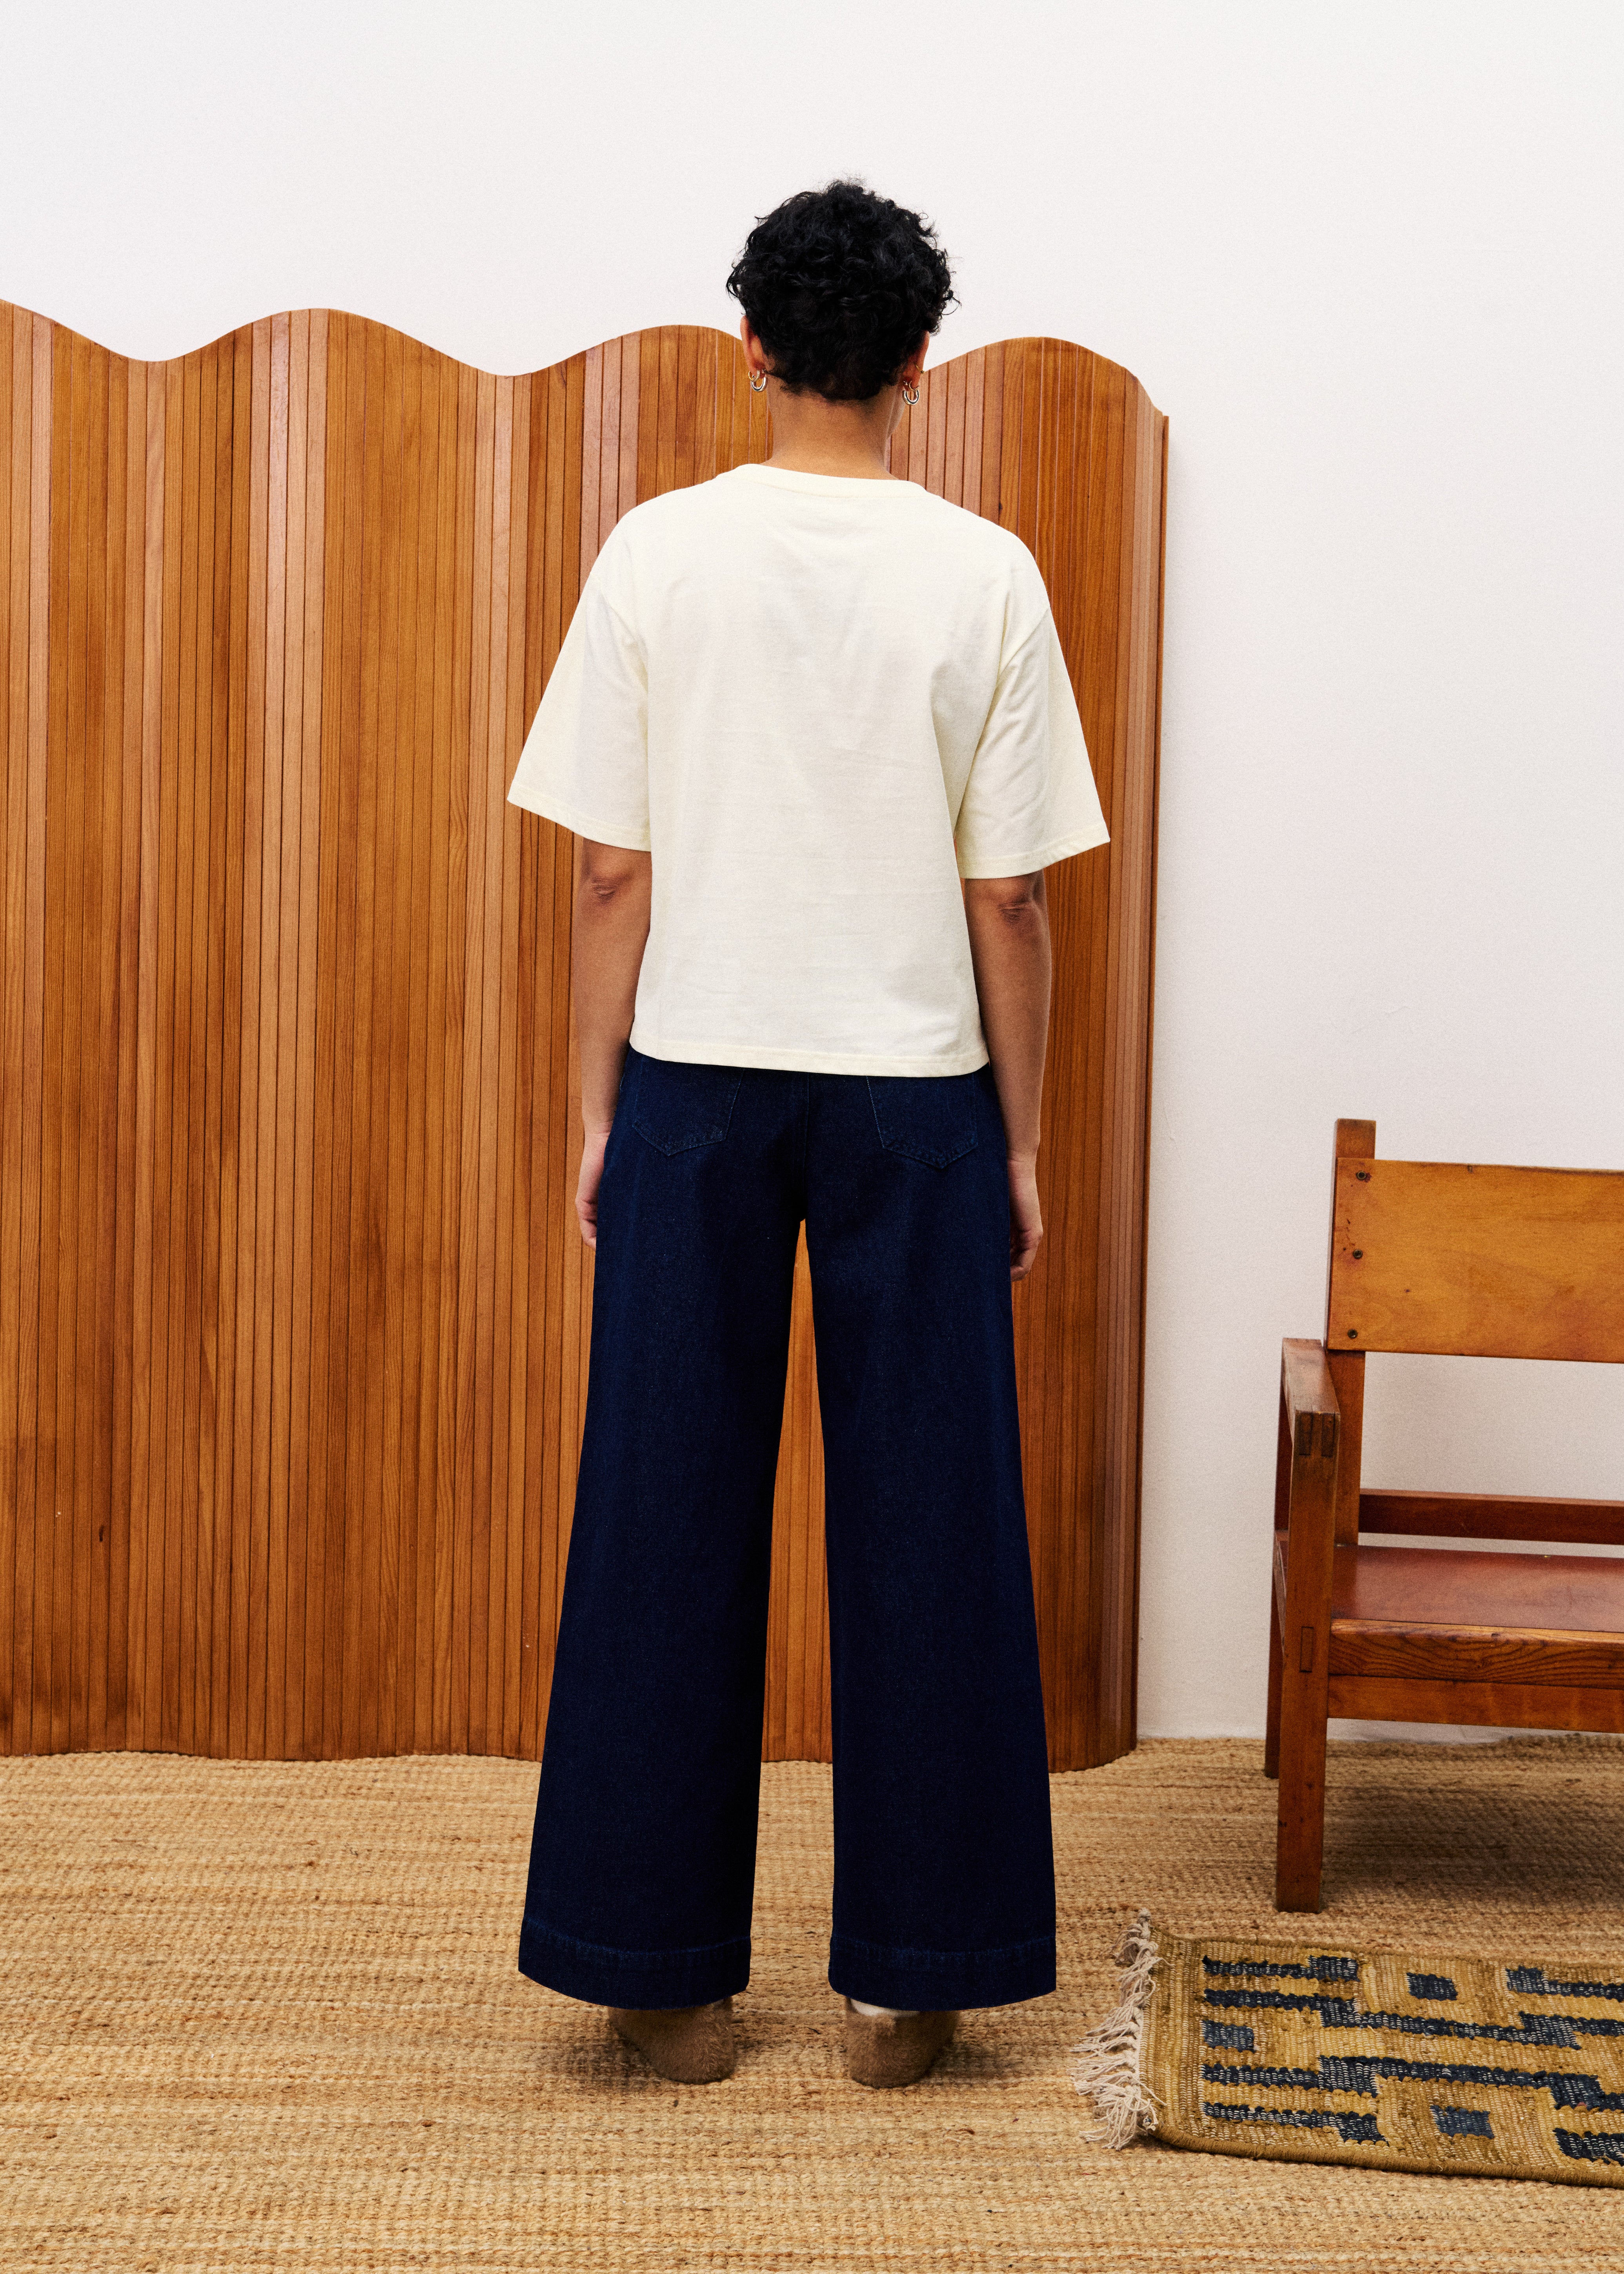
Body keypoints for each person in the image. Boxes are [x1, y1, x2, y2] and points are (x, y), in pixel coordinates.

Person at [505, 179, 1108, 2089]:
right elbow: (1012, 898)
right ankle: (911, 1988)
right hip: (917, 1094)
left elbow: (612, 873)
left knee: (662, 1505)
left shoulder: (658, 555)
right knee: (933, 1518)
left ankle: (657, 1980)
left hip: (696, 1079)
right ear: (921, 357)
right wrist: (1022, 1143)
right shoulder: (985, 574)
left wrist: (597, 1110)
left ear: (752, 344)